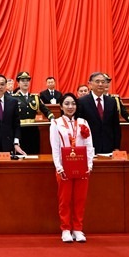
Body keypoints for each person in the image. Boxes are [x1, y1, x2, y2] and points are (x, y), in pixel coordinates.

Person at [49, 93, 94, 242]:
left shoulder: (83, 122)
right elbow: (55, 148)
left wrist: (89, 165)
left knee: (80, 199)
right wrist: (59, 167)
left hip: (82, 167)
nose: (70, 107)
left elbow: (89, 145)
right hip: (64, 167)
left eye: (73, 104)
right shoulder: (56, 123)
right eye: (67, 104)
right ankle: (66, 229)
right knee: (65, 200)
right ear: (61, 106)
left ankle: (78, 229)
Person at [75, 72, 129, 154]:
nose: (100, 84)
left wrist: (116, 147)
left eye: (103, 82)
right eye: (97, 81)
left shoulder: (111, 101)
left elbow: (115, 126)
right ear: (90, 84)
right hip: (89, 146)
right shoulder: (81, 102)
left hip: (109, 146)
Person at [13, 71, 52, 154]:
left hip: (33, 129)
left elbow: (45, 110)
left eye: (27, 80)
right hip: (19, 130)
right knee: (21, 154)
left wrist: (52, 118)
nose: (25, 82)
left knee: (34, 153)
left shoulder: (35, 97)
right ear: (18, 83)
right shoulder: (13, 98)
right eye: (23, 80)